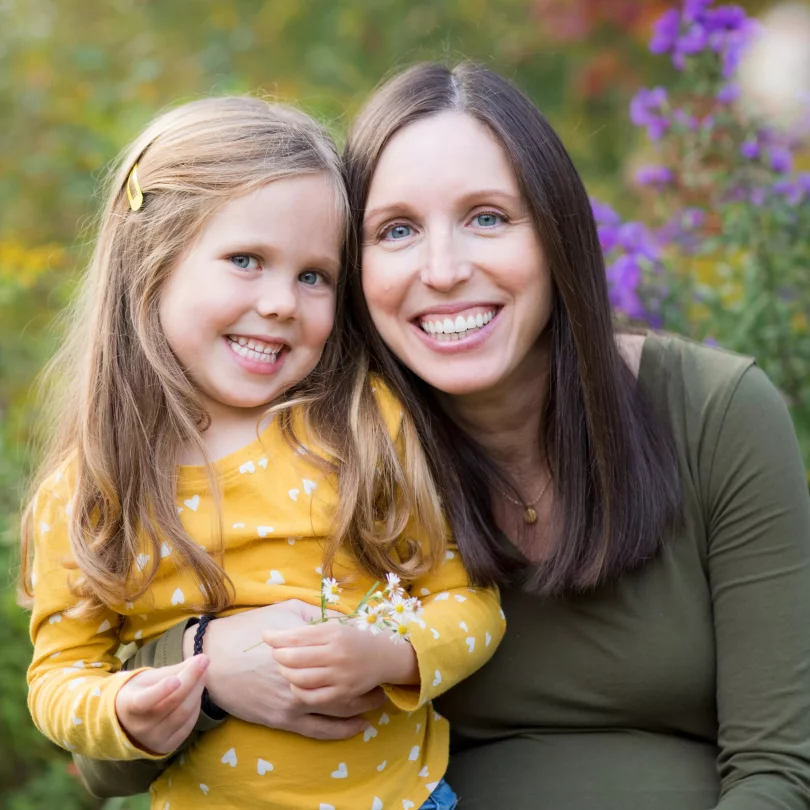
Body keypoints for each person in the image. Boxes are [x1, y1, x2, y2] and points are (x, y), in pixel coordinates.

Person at [75, 63, 810, 809]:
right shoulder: (327, 451)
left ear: (556, 232)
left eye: (488, 217)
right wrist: (207, 663)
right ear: (353, 268)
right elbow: (105, 770)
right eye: (396, 230)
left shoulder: (714, 413)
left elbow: (781, 771)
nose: (445, 269)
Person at [22, 94, 507, 810]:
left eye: (314, 275)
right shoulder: (96, 485)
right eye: (247, 260)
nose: (282, 302)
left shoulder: (362, 426)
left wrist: (394, 656)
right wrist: (127, 710)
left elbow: (469, 602)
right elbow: (61, 677)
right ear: (149, 265)